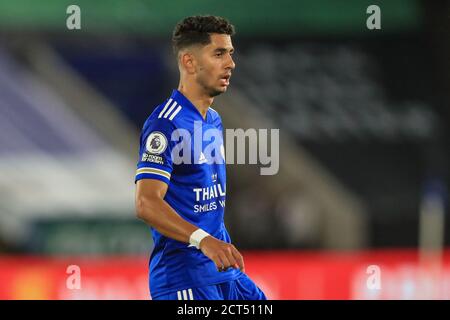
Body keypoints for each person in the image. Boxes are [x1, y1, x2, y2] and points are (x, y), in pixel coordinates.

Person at [135, 15, 267, 300]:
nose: (230, 63)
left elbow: (201, 199)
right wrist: (204, 240)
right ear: (189, 62)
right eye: (218, 53)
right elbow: (146, 203)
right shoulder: (164, 124)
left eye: (230, 54)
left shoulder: (213, 120)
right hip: (184, 280)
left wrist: (217, 242)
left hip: (223, 273)